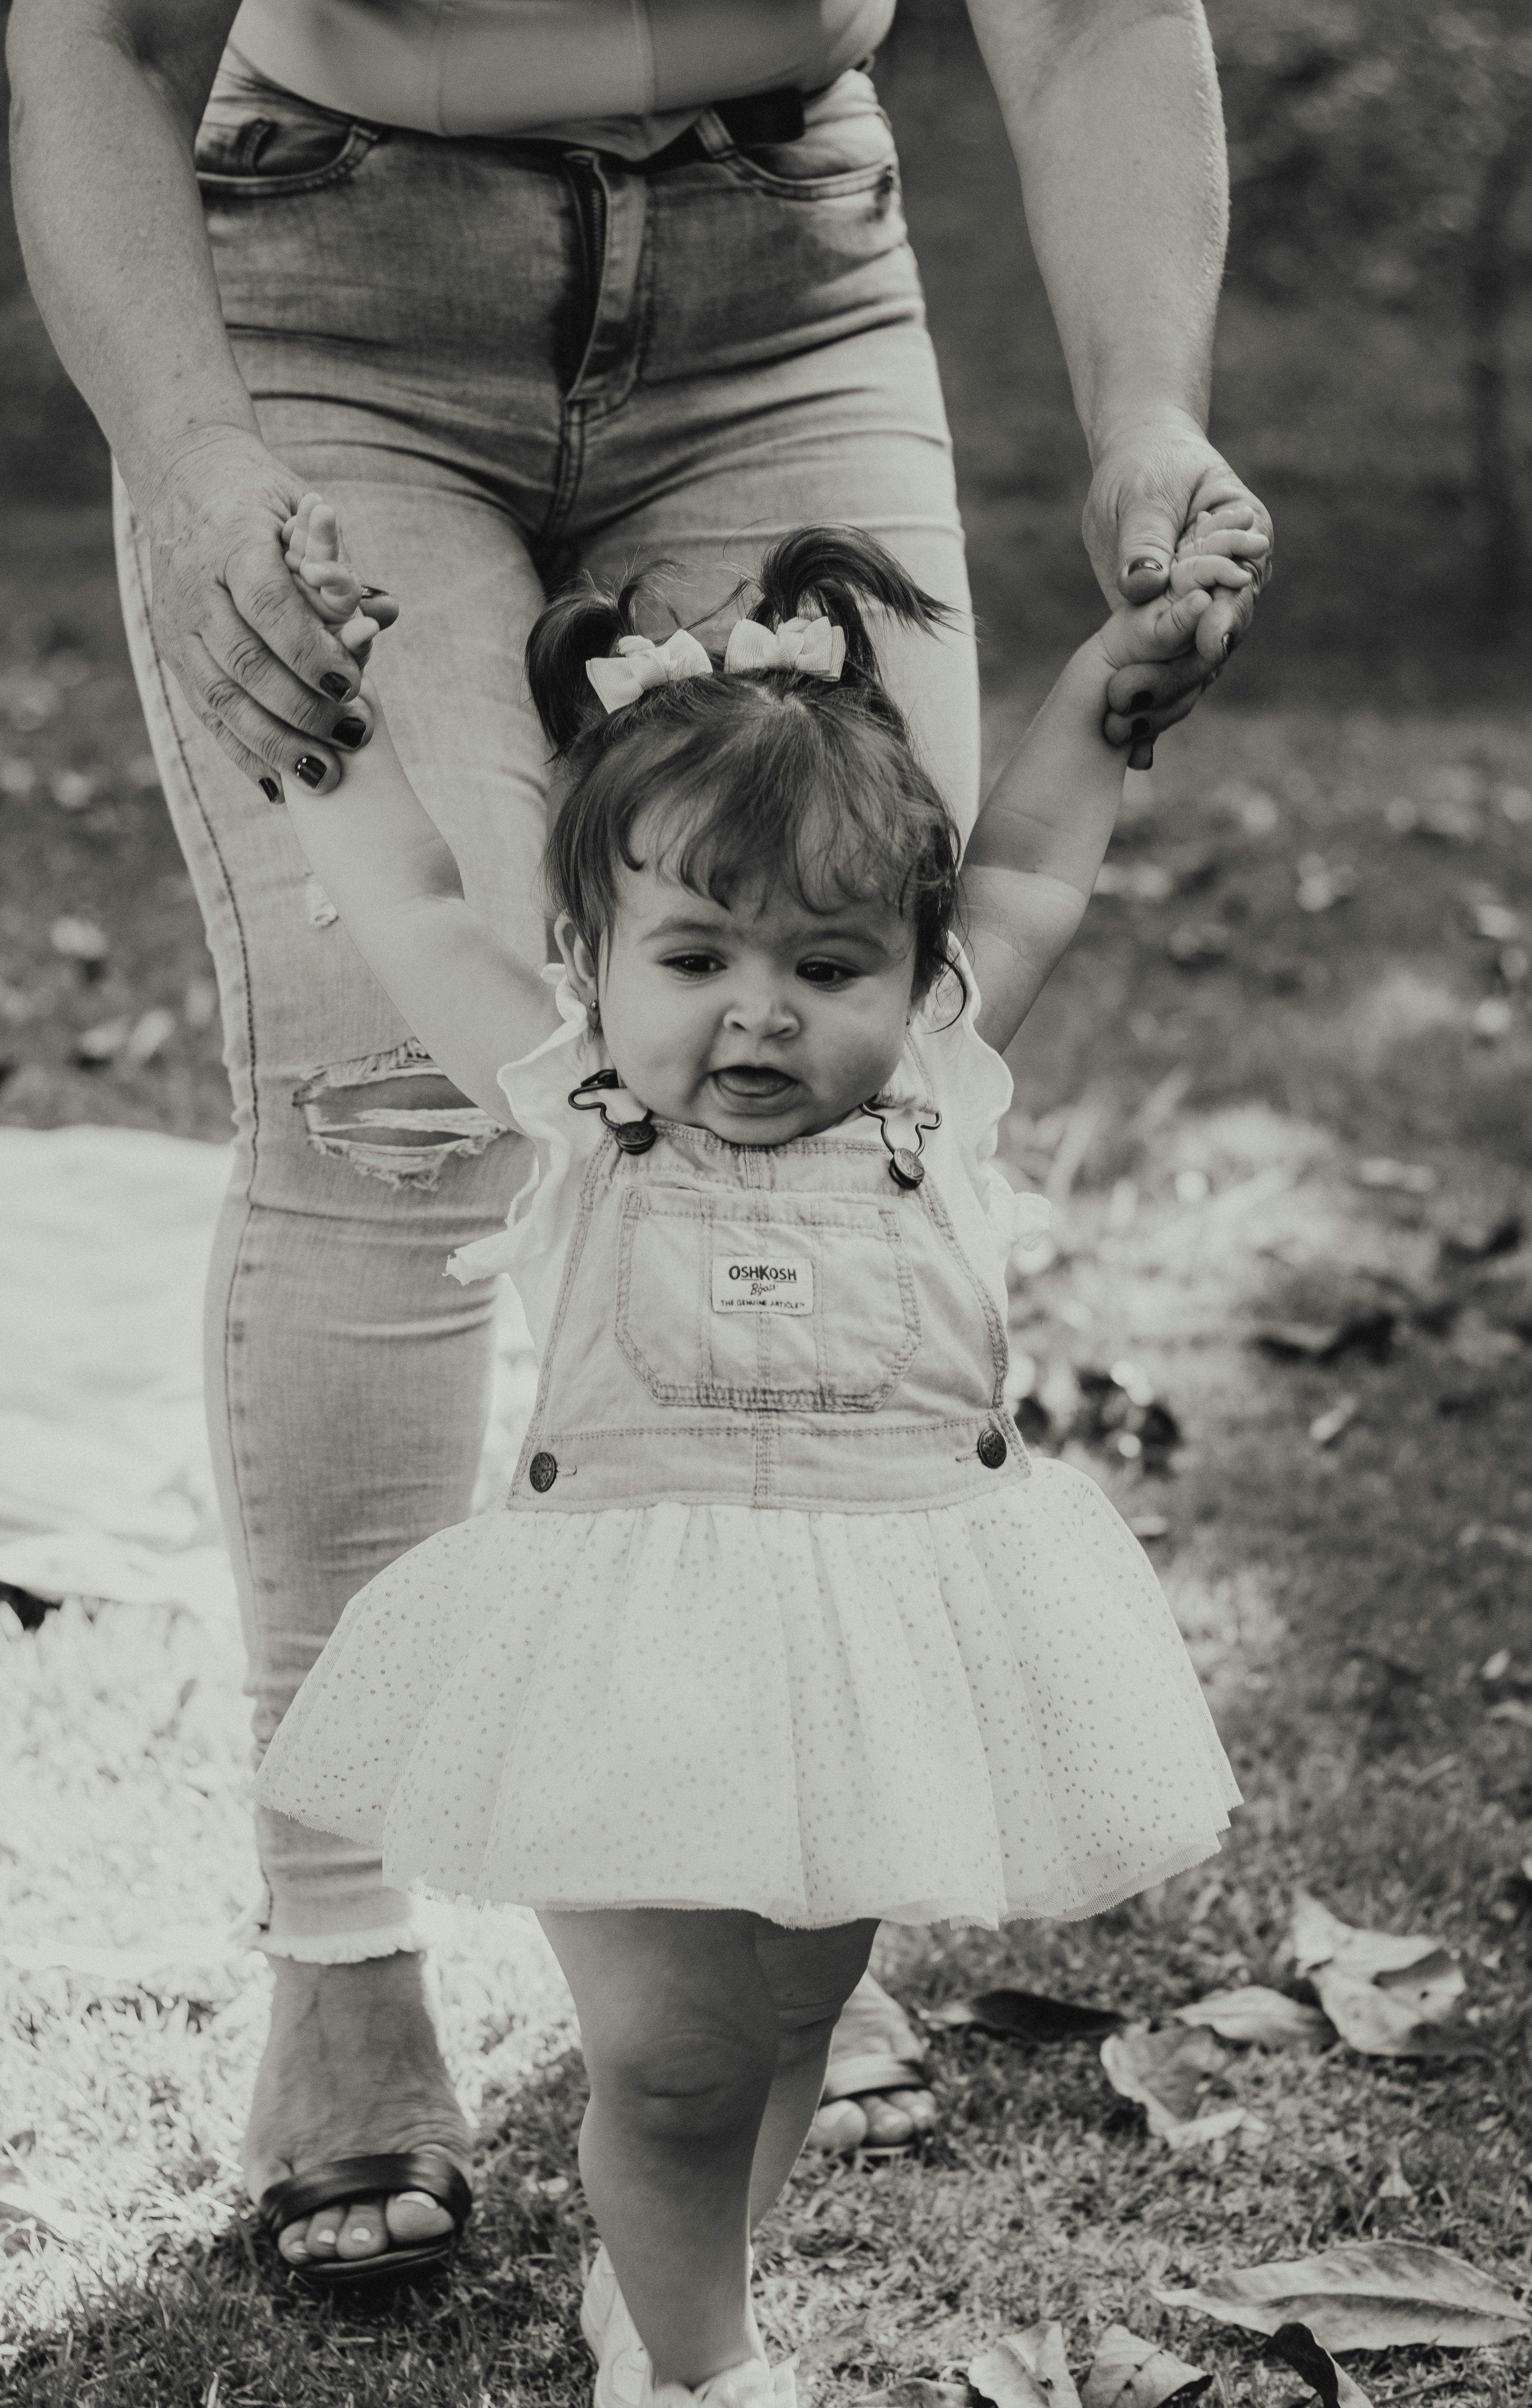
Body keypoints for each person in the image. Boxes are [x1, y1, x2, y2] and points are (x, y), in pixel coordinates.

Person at [6, 0, 1270, 2277]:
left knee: (825, 966)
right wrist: (190, 468)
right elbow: (99, 22)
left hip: (784, 266)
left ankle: (750, 1887)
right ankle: (347, 1956)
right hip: (317, 259)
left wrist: (1147, 417)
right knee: (412, 1088)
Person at [252, 503, 1243, 2398]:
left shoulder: (934, 1099)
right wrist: (327, 727)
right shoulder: (572, 1104)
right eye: (696, 957)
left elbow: (1030, 862)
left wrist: (1102, 695)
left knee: (789, 2014)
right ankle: (698, 2374)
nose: (759, 1014)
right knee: (678, 2053)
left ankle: (663, 2272)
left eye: (827, 966)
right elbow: (408, 904)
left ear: (911, 973)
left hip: (876, 1650)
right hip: (624, 1661)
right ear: (595, 962)